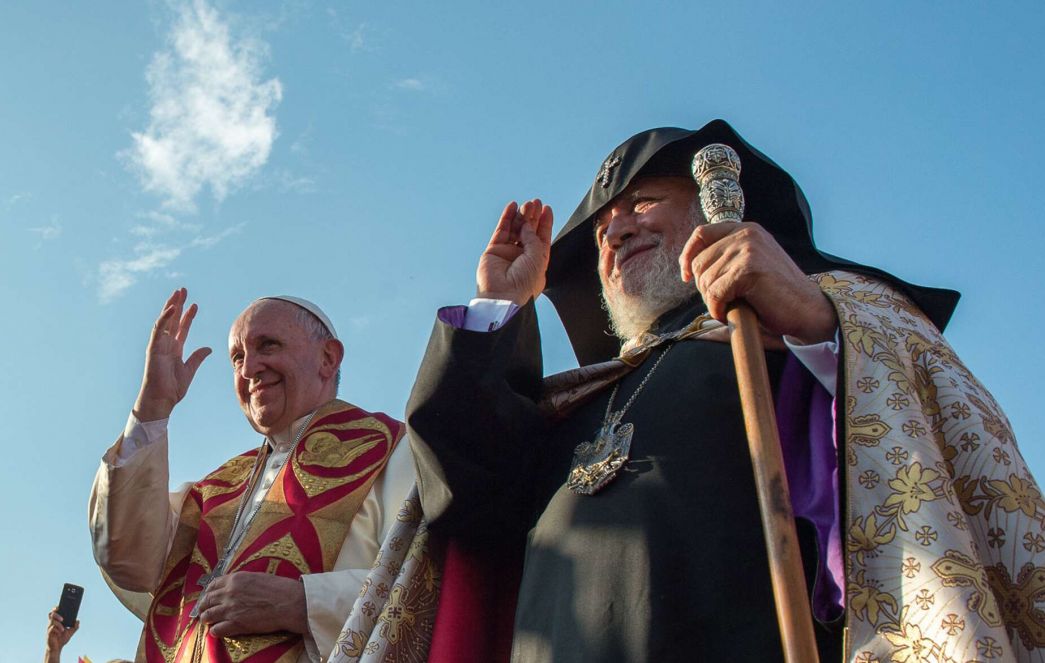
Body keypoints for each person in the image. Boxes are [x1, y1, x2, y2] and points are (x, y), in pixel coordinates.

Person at [406, 120, 1045, 661]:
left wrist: (815, 320)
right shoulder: (582, 400)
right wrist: (500, 304)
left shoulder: (800, 326)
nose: (617, 231)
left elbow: (896, 429)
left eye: (645, 202)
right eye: (604, 229)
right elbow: (467, 500)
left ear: (717, 213)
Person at [90, 290, 414, 662]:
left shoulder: (396, 453)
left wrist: (303, 603)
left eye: (268, 346)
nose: (249, 370)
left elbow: (431, 583)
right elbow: (126, 558)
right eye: (238, 358)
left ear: (328, 358)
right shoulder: (216, 489)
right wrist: (152, 408)